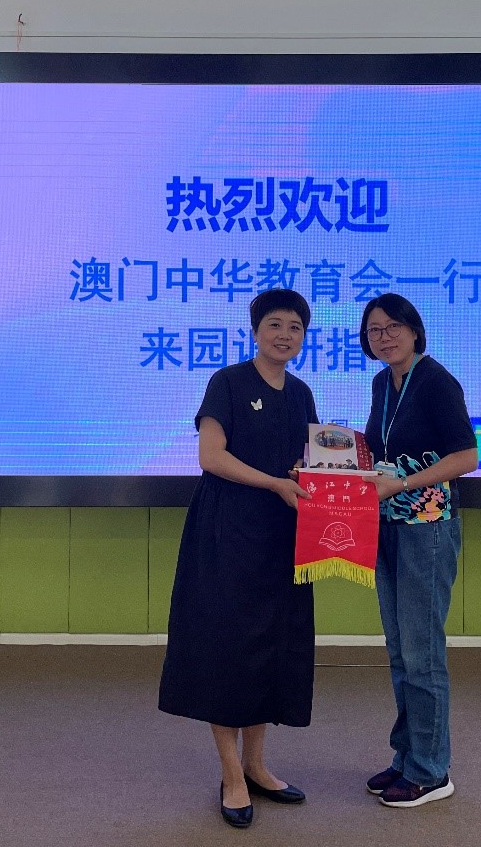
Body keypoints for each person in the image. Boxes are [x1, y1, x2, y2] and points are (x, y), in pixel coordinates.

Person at [158, 288, 318, 829]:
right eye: (275, 324)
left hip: (281, 533)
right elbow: (211, 456)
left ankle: (256, 764)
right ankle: (231, 775)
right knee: (228, 648)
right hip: (226, 530)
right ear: (255, 331)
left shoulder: (301, 393)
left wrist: (327, 478)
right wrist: (273, 482)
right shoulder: (227, 382)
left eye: (295, 327)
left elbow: (307, 463)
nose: (284, 335)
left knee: (269, 645)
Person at [359, 293, 478, 808]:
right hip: (387, 525)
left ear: (414, 330)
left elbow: (467, 456)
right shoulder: (382, 384)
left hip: (427, 527)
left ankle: (431, 771)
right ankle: (407, 755)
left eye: (393, 327)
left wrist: (403, 485)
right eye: (374, 330)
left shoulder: (436, 381)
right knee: (400, 649)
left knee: (422, 653)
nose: (384, 337)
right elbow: (381, 451)